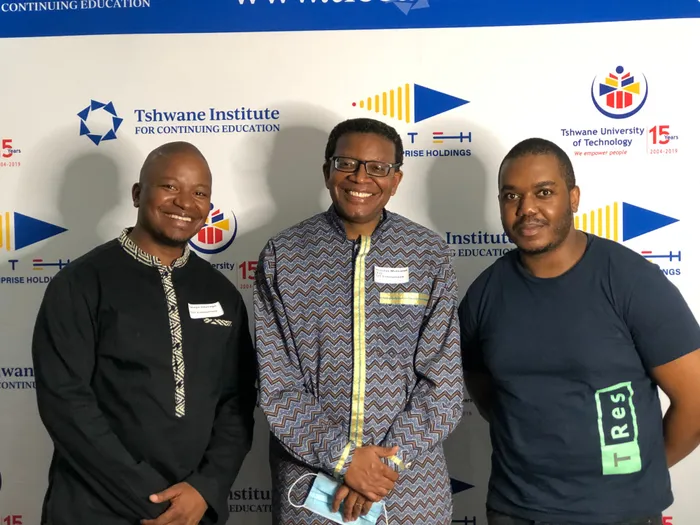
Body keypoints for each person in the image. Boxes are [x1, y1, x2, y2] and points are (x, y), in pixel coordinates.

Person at [459, 137, 700, 525]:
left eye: (544, 192)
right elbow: (481, 385)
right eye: (511, 196)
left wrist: (641, 470)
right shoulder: (484, 293)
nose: (526, 208)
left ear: (573, 198)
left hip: (619, 513)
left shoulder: (631, 281)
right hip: (515, 510)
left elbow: (696, 401)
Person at [32, 141, 256, 525]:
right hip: (94, 508)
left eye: (199, 193)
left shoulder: (221, 293)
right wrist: (154, 500)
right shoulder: (81, 283)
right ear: (138, 194)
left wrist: (205, 488)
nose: (185, 202)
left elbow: (236, 402)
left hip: (192, 510)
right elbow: (66, 404)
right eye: (170, 186)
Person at [254, 117, 464, 524]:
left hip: (408, 490)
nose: (360, 178)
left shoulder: (427, 254)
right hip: (312, 490)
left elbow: (444, 387)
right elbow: (278, 386)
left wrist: (382, 466)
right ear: (327, 171)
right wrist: (344, 459)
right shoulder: (284, 255)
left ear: (396, 179)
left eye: (377, 167)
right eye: (346, 163)